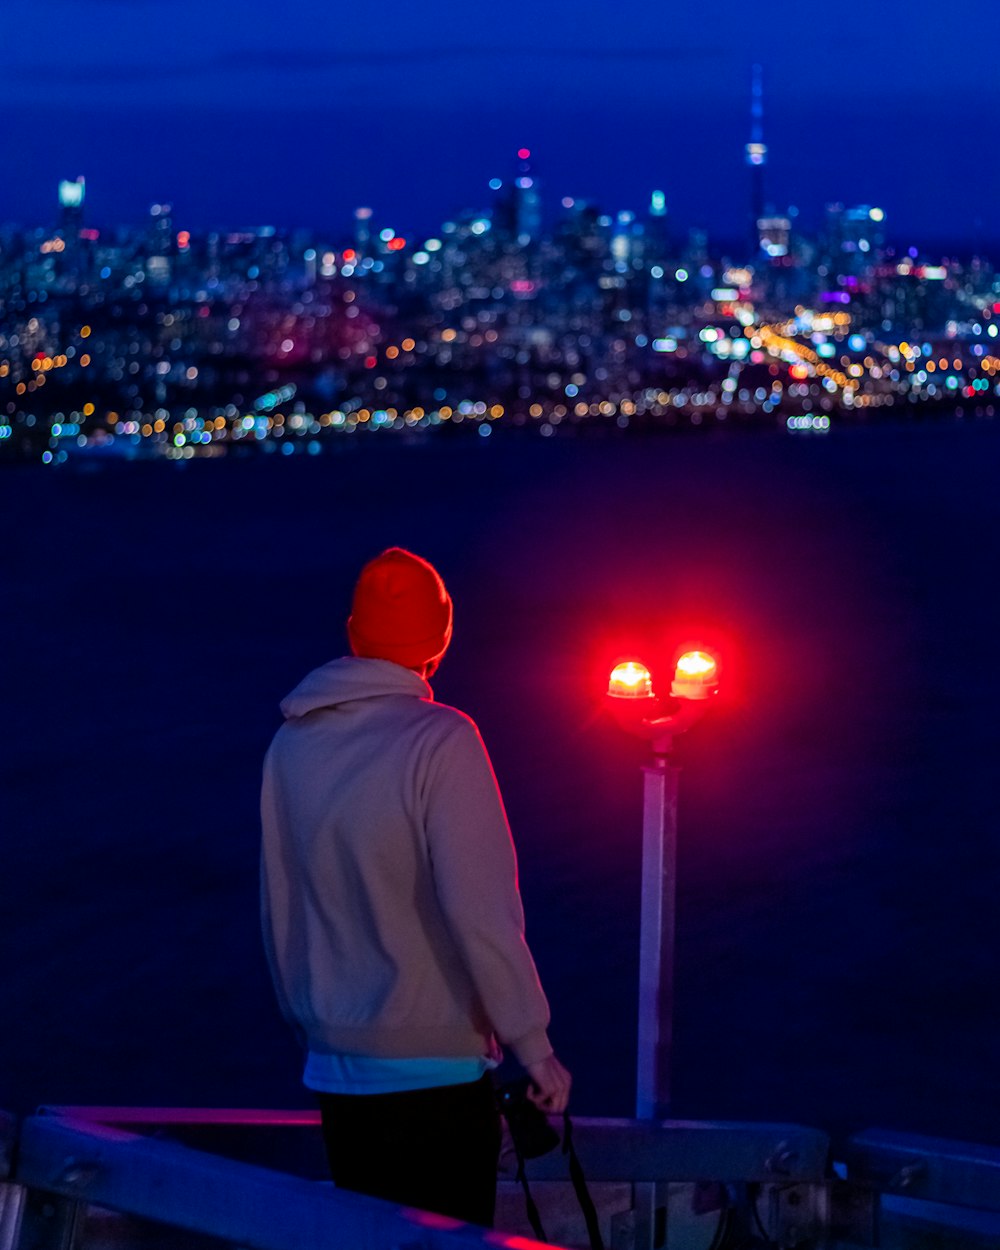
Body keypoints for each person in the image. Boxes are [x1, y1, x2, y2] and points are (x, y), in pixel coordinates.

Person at [260, 547, 571, 1226]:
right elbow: (480, 910)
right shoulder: (443, 740)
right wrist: (534, 1045)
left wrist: (309, 1021)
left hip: (336, 1069)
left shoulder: (290, 745)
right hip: (437, 1075)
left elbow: (281, 907)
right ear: (441, 640)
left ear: (353, 633)